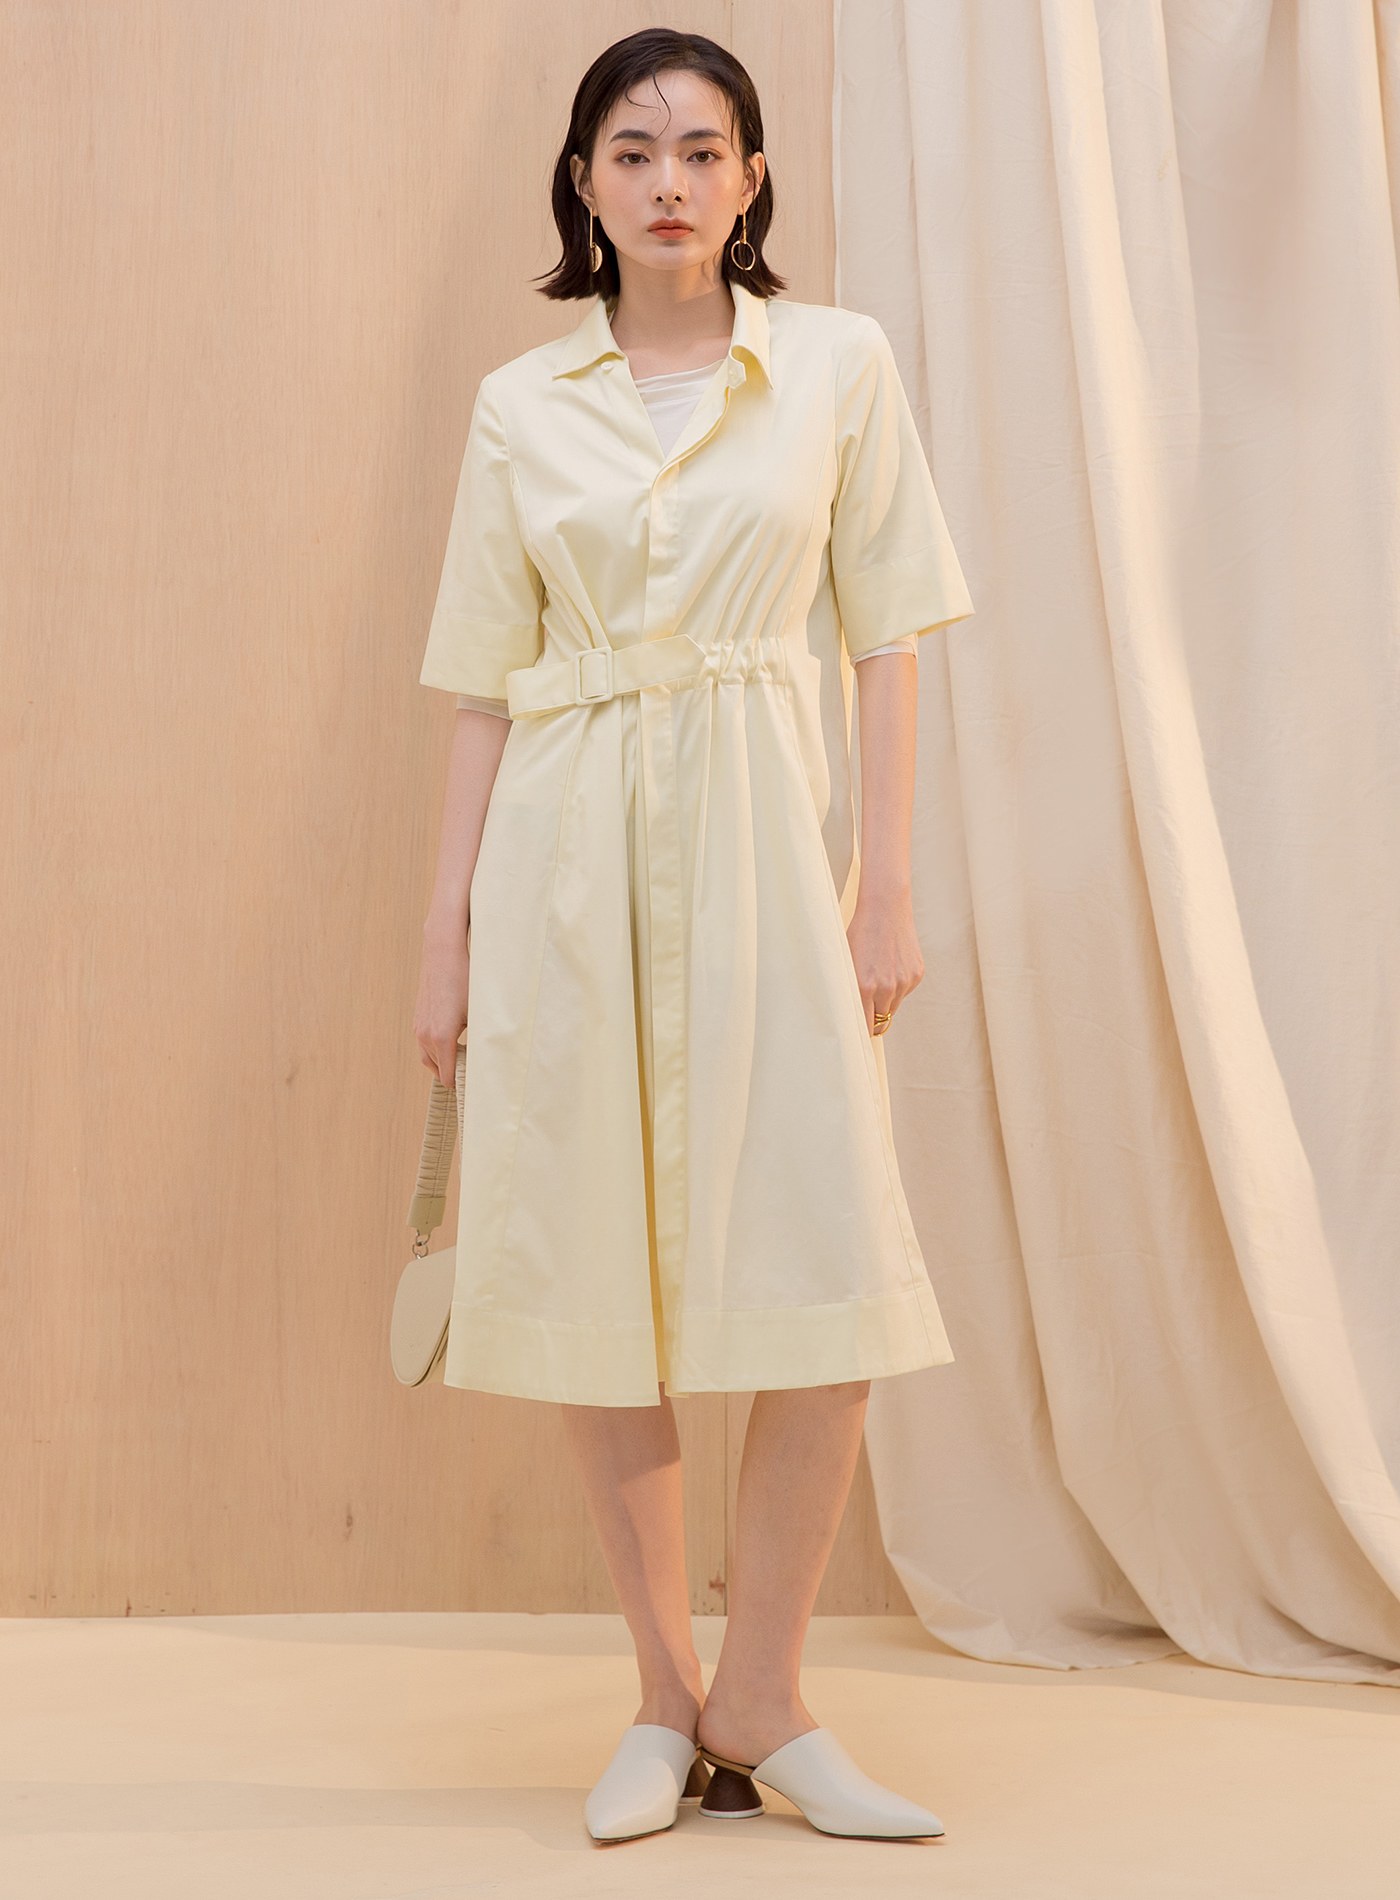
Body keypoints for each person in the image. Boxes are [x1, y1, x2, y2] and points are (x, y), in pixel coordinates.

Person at [413, 27, 974, 1846]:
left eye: (705, 149)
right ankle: (666, 1701)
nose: (670, 180)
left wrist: (887, 884)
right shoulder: (521, 403)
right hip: (565, 860)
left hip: (765, 854)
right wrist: (446, 933)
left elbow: (888, 630)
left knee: (826, 1256)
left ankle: (768, 1700)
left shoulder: (836, 366)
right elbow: (482, 684)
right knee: (602, 1279)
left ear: (752, 180)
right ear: (583, 181)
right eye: (634, 150)